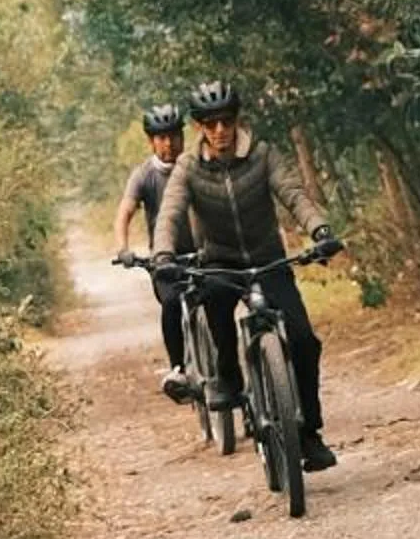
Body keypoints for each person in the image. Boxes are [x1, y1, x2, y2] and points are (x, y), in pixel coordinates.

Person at [153, 79, 344, 471]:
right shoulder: (189, 167)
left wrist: (320, 231)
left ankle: (309, 434)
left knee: (305, 341)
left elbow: (294, 194)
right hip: (220, 261)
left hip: (267, 259)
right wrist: (163, 254)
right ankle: (228, 381)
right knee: (216, 307)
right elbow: (170, 212)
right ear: (199, 128)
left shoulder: (263, 156)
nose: (220, 131)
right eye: (210, 124)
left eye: (225, 121)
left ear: (237, 120)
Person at [111, 102, 191, 397]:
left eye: (173, 136)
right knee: (171, 303)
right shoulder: (144, 175)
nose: (168, 144)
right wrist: (123, 248)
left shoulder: (196, 165)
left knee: (218, 308)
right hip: (164, 260)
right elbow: (124, 213)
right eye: (161, 137)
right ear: (151, 141)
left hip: (202, 255)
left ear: (182, 136)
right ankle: (179, 369)